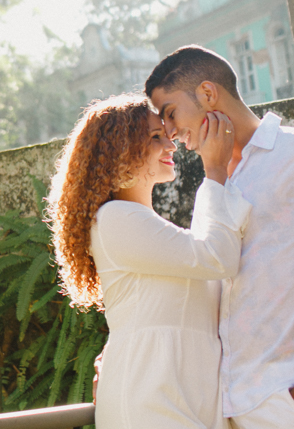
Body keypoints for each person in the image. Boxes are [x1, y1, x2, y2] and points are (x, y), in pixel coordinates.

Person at [145, 45, 294, 429]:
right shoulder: (216, 182)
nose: (169, 132)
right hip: (228, 406)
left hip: (292, 402)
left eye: (170, 113)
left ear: (207, 94)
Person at [49, 93, 251, 428]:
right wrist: (215, 169)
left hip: (187, 394)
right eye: (155, 137)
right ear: (118, 151)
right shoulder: (115, 218)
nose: (171, 147)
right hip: (151, 397)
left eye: (168, 136)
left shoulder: (145, 226)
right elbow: (219, 258)